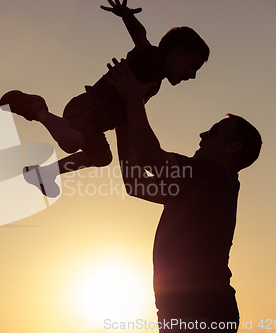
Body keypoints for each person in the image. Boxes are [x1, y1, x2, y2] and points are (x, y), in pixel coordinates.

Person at [104, 59, 262, 332]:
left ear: (233, 147)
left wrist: (133, 101)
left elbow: (150, 158)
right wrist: (123, 122)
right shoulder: (199, 186)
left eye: (213, 132)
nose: (202, 135)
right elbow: (136, 183)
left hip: (203, 311)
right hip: (186, 312)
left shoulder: (211, 176)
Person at [0, 0, 209, 197]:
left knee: (102, 157)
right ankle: (37, 109)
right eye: (193, 66)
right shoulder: (151, 60)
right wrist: (127, 17)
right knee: (72, 141)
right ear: (176, 53)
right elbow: (141, 40)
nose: (193, 75)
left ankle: (43, 174)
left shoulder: (152, 83)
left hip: (102, 120)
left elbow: (127, 118)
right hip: (91, 107)